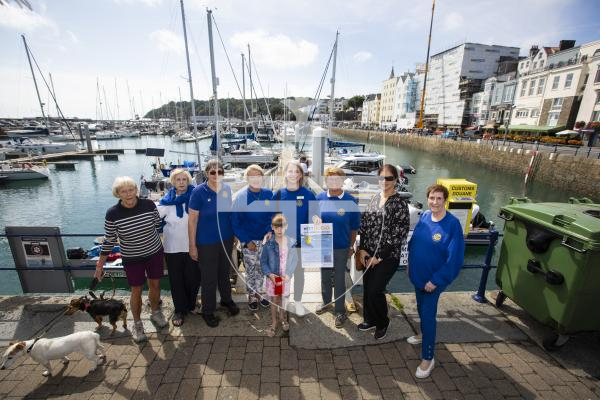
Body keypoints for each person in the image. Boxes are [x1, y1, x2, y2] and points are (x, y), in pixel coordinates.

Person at [95, 176, 168, 343]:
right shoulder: (112, 213)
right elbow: (109, 240)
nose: (128, 194)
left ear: (136, 190)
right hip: (132, 257)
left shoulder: (149, 205)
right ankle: (137, 323)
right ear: (117, 194)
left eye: (131, 190)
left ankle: (155, 311)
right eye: (123, 191)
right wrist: (100, 264)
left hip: (154, 252)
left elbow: (158, 225)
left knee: (155, 284)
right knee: (136, 290)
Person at [407, 184, 465, 379]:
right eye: (432, 198)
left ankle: (428, 357)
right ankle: (423, 335)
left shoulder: (452, 224)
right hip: (418, 276)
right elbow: (414, 242)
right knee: (421, 309)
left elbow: (454, 259)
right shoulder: (424, 216)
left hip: (433, 281)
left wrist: (436, 280)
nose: (435, 202)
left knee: (428, 315)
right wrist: (410, 264)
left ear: (445, 201)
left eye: (439, 198)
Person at [357, 164, 410, 340]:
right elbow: (364, 227)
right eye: (382, 178)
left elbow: (398, 235)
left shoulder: (400, 204)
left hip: (387, 257)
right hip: (368, 254)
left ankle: (382, 322)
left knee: (375, 290)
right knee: (367, 289)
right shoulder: (373, 198)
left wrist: (378, 257)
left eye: (389, 178)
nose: (385, 181)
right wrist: (362, 250)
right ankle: (369, 319)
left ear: (395, 180)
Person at [188, 160, 240, 328]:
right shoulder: (198, 192)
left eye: (220, 171)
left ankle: (226, 300)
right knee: (208, 277)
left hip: (226, 238)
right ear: (206, 173)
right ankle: (208, 310)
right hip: (206, 242)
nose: (216, 175)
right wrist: (192, 245)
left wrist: (234, 234)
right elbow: (192, 221)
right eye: (212, 172)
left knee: (224, 272)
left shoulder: (226, 189)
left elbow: (228, 214)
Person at [314, 167, 360, 328]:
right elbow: (313, 217)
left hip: (341, 246)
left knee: (339, 279)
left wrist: (350, 246)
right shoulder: (319, 197)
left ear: (342, 181)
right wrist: (315, 220)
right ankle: (327, 303)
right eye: (330, 179)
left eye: (337, 179)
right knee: (325, 276)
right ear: (326, 181)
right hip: (323, 246)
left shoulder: (350, 201)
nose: (333, 182)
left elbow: (354, 227)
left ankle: (340, 311)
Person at [272, 160, 316, 316]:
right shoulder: (278, 194)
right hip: (281, 242)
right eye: (289, 171)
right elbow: (271, 217)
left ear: (300, 175)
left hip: (300, 242)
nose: (293, 174)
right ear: (285, 174)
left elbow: (314, 215)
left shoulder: (308, 194)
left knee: (298, 273)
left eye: (296, 171)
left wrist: (317, 219)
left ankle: (297, 301)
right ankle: (284, 300)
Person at [156, 168, 198, 327]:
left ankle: (192, 304)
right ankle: (179, 310)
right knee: (176, 280)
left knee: (193, 278)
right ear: (173, 182)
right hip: (172, 247)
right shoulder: (166, 201)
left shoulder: (195, 198)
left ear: (188, 181)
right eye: (178, 180)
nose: (181, 183)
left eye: (184, 179)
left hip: (192, 245)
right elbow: (153, 217)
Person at [232, 164, 273, 311]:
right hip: (249, 240)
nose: (255, 179)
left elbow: (273, 215)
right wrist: (246, 240)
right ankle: (252, 294)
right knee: (250, 268)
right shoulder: (241, 197)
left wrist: (269, 231)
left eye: (258, 176)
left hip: (266, 239)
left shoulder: (269, 194)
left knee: (262, 268)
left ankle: (261, 292)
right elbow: (236, 222)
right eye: (252, 176)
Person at [261, 214, 298, 337]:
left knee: (283, 298)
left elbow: (294, 260)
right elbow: (263, 261)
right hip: (273, 278)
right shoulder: (268, 243)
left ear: (286, 227)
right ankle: (274, 322)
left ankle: (282, 317)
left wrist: (288, 274)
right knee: (274, 299)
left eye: (282, 227)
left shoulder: (291, 242)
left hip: (285, 278)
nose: (279, 230)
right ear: (272, 227)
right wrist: (270, 275)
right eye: (276, 227)